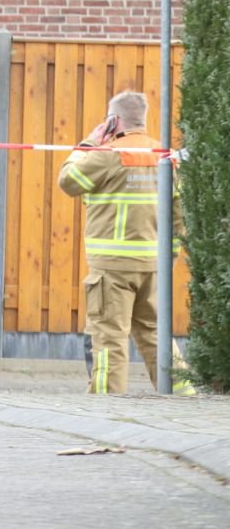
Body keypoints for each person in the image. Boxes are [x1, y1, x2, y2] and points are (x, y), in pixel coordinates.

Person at [57, 90, 196, 396]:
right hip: (153, 266)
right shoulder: (165, 156)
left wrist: (88, 144)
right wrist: (167, 261)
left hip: (112, 268)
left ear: (113, 120)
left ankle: (108, 405)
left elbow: (68, 181)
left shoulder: (107, 155)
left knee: (109, 339)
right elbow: (178, 216)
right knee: (156, 336)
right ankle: (186, 398)